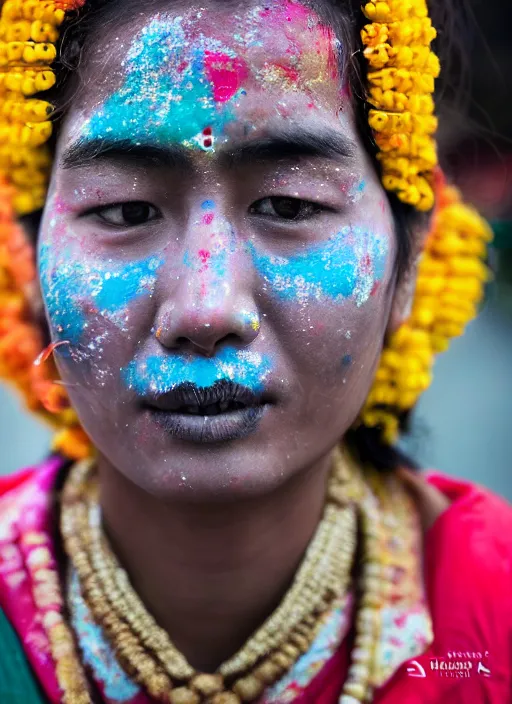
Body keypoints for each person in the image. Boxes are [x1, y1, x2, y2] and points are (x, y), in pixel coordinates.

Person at [0, 0, 511, 702]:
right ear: (27, 262)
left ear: (409, 267)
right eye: (123, 211)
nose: (206, 309)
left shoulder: (494, 621)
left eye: (291, 206)